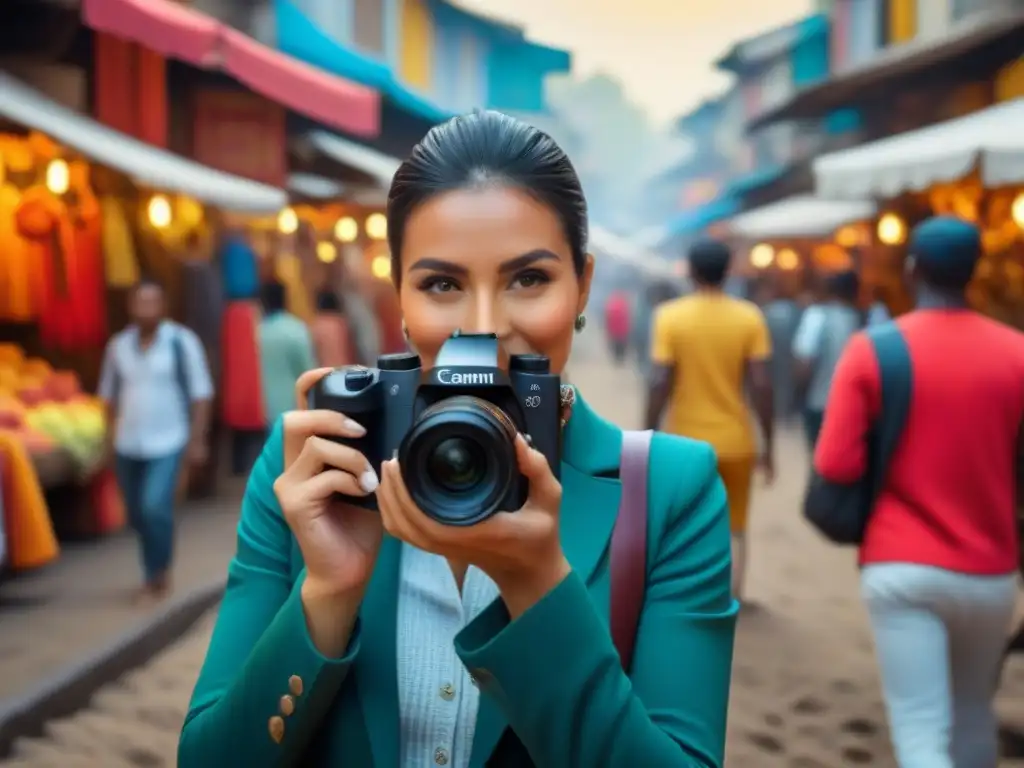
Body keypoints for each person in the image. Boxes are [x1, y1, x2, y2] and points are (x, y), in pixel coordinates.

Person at [180, 110, 736, 767]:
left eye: (528, 279)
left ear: (583, 285)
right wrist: (328, 591)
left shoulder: (670, 491)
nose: (482, 326)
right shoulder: (315, 467)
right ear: (402, 300)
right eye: (442, 284)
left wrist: (537, 588)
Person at [814, 216, 1024, 768]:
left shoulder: (873, 350)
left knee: (920, 727)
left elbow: (835, 462)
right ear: (974, 273)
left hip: (900, 564)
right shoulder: (1017, 354)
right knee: (974, 712)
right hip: (992, 570)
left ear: (911, 269)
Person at [645, 239, 774, 603]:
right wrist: (769, 445)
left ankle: (689, 594)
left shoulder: (670, 316)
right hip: (736, 440)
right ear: (728, 270)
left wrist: (647, 435)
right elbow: (762, 385)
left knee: (683, 523)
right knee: (735, 525)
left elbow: (659, 381)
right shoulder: (749, 316)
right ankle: (731, 596)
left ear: (691, 270)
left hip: (685, 443)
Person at [98, 278, 213, 600]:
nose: (147, 308)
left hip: (169, 440)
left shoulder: (181, 342)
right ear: (131, 306)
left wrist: (197, 440)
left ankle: (157, 572)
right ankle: (153, 568)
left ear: (163, 306)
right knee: (135, 513)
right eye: (141, 302)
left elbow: (201, 394)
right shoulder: (118, 346)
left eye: (153, 302)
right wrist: (107, 442)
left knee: (154, 507)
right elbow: (108, 397)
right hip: (127, 442)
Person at [792, 269, 863, 449]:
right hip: (857, 407)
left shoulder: (816, 316)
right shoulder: (865, 319)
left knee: (820, 462)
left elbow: (804, 363)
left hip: (820, 403)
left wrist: (799, 396)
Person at [258, 279, 317, 430]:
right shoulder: (296, 329)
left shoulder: (257, 331)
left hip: (259, 411)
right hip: (291, 409)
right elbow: (308, 371)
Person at [309, 289, 355, 369]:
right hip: (344, 368)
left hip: (325, 370)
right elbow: (350, 349)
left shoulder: (317, 325)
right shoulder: (341, 323)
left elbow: (314, 353)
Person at [603, 288, 631, 364]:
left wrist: (608, 330)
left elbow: (607, 318)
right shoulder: (624, 305)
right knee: (621, 345)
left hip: (614, 330)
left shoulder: (611, 305)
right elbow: (628, 318)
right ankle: (620, 358)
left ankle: (617, 358)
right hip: (622, 331)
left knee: (616, 345)